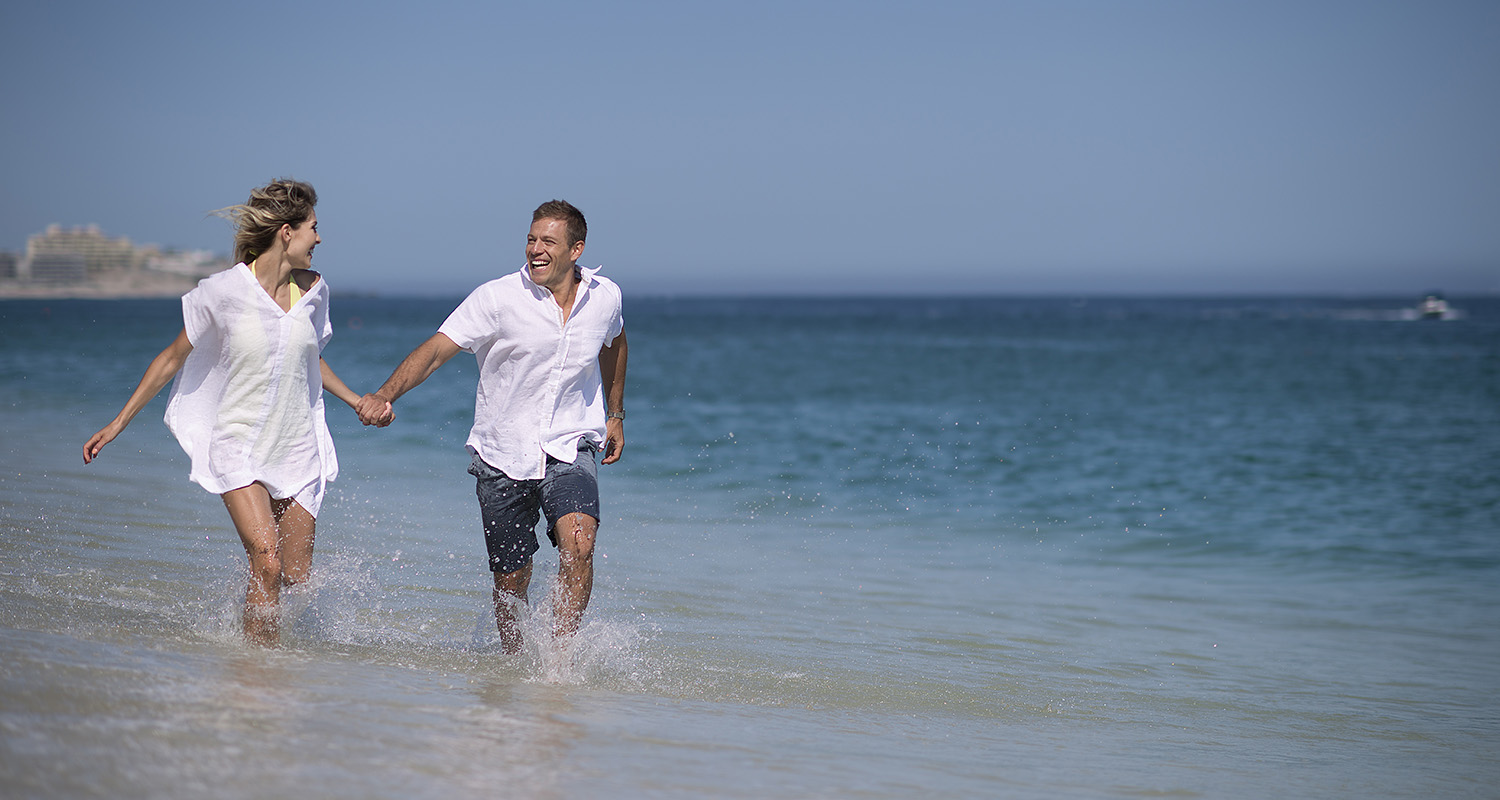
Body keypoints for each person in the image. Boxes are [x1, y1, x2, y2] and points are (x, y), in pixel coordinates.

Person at [83, 178, 362, 645]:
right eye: (315, 227)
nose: (320, 238)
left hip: (295, 447)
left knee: (294, 577)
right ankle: (257, 672)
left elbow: (307, 358)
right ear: (287, 233)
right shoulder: (223, 292)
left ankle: (246, 633)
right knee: (267, 561)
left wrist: (356, 400)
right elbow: (172, 357)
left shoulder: (313, 291)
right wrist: (118, 423)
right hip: (238, 441)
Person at [355, 199, 627, 654]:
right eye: (531, 239)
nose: (535, 250)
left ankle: (559, 668)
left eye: (548, 242)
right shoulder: (497, 298)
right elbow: (437, 351)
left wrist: (614, 413)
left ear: (576, 249)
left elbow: (614, 343)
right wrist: (385, 394)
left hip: (570, 444)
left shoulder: (606, 297)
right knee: (512, 580)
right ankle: (515, 665)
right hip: (501, 454)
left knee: (579, 543)